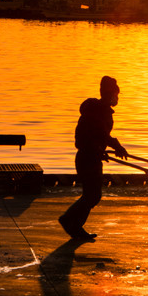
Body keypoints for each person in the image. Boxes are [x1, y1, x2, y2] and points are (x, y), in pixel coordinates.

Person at [59, 75, 128, 241]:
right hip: (88, 158)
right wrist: (116, 146)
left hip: (89, 157)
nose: (117, 98)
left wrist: (101, 150)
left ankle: (74, 225)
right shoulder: (100, 112)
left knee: (91, 195)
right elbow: (101, 134)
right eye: (116, 95)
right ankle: (70, 221)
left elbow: (96, 136)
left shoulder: (97, 110)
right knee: (92, 195)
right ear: (109, 94)